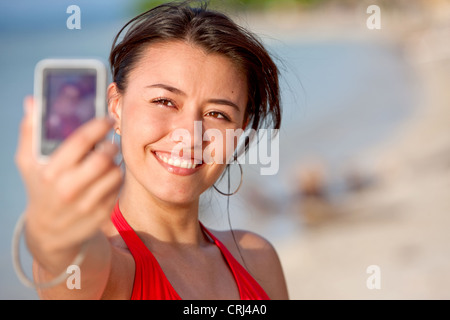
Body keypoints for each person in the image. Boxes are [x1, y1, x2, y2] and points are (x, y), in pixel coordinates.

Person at [15, 1, 288, 300]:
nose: (190, 135)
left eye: (218, 114)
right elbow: (66, 264)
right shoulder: (110, 271)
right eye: (165, 101)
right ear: (116, 106)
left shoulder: (257, 260)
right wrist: (51, 227)